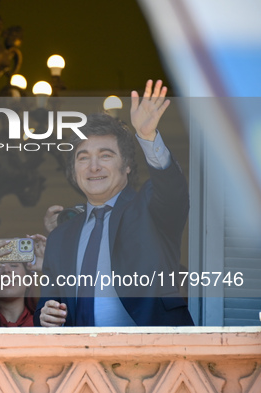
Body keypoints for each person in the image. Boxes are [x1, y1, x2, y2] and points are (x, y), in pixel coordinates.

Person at [35, 80, 194, 327]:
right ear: (73, 170)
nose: (94, 166)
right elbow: (47, 309)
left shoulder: (150, 208)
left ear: (127, 165)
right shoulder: (60, 237)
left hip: (155, 355)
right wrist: (45, 316)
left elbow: (171, 189)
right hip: (82, 361)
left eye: (105, 155)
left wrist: (147, 136)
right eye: (83, 157)